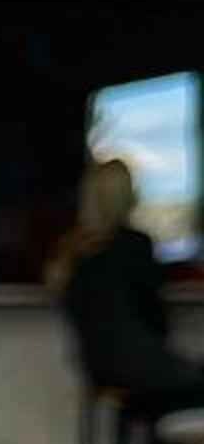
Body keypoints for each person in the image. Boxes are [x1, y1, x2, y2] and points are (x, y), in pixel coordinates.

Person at [57, 158, 204, 426]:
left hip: (98, 370)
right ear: (126, 198)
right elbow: (156, 319)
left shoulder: (72, 253)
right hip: (141, 368)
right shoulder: (134, 245)